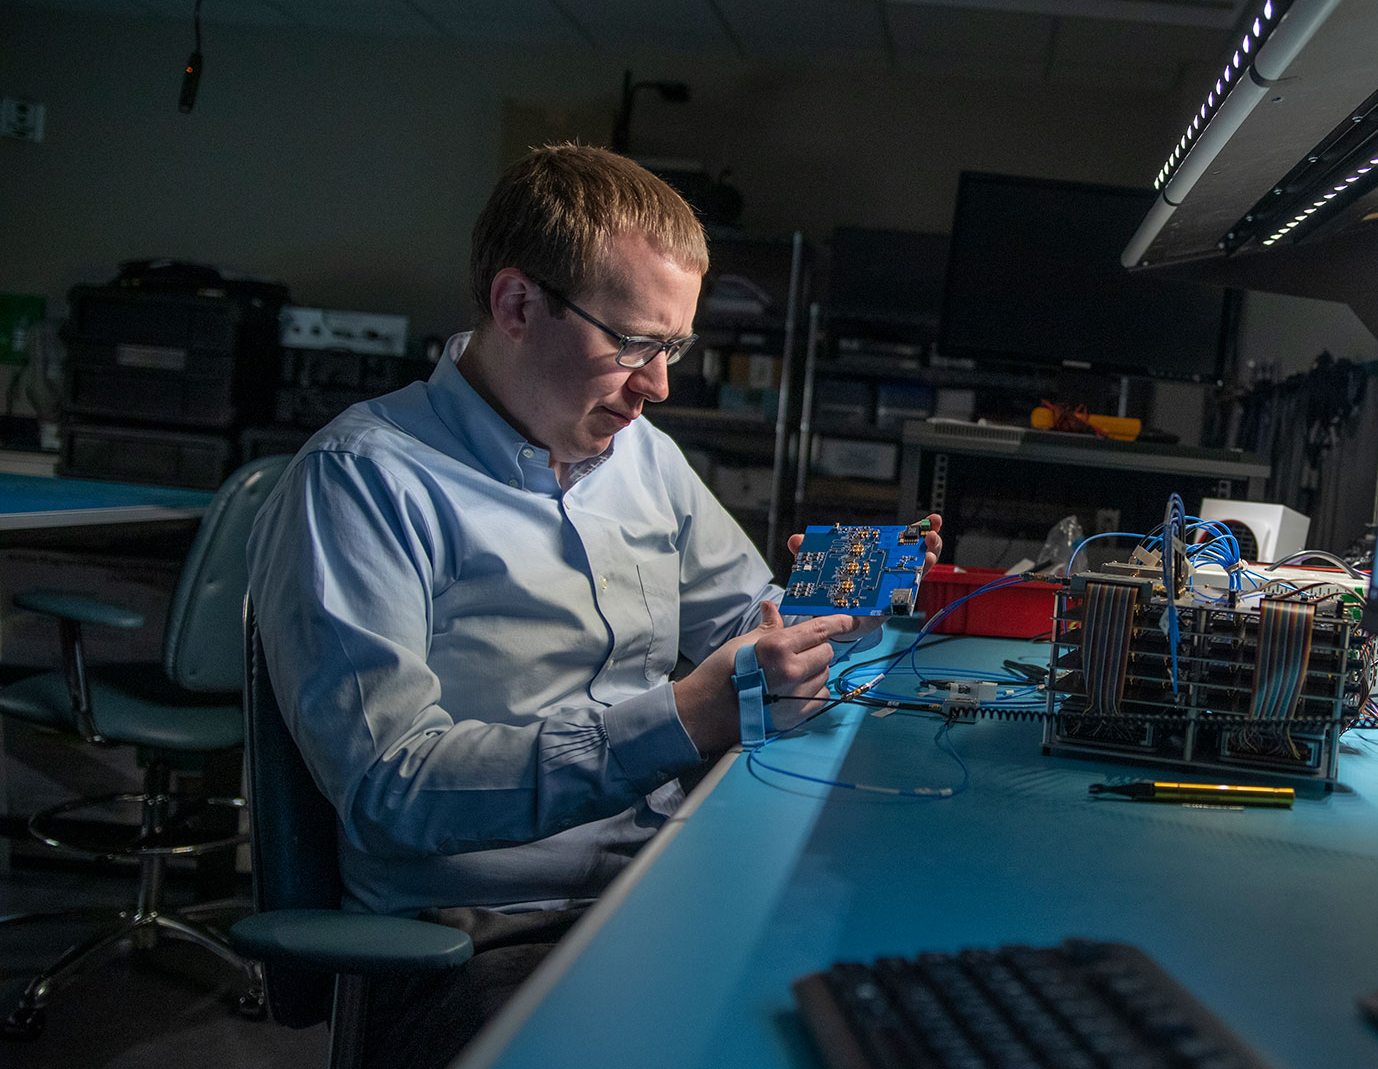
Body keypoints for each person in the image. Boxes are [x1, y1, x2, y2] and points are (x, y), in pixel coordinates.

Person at [247, 143, 939, 1069]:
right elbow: (391, 791)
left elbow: (745, 623)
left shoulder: (642, 456)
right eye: (635, 344)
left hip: (659, 878)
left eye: (675, 348)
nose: (657, 385)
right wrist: (686, 716)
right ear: (517, 304)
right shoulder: (365, 481)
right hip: (479, 937)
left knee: (896, 995)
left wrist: (834, 607)